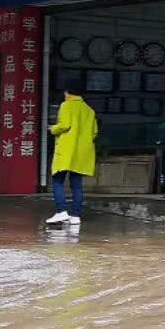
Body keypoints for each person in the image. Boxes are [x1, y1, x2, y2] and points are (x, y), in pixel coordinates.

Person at [47, 83, 99, 231]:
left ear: (68, 93)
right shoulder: (89, 110)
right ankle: (76, 216)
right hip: (82, 153)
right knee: (76, 184)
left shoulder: (66, 105)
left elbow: (64, 125)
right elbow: (94, 132)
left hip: (66, 150)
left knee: (57, 180)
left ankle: (61, 211)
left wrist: (52, 129)